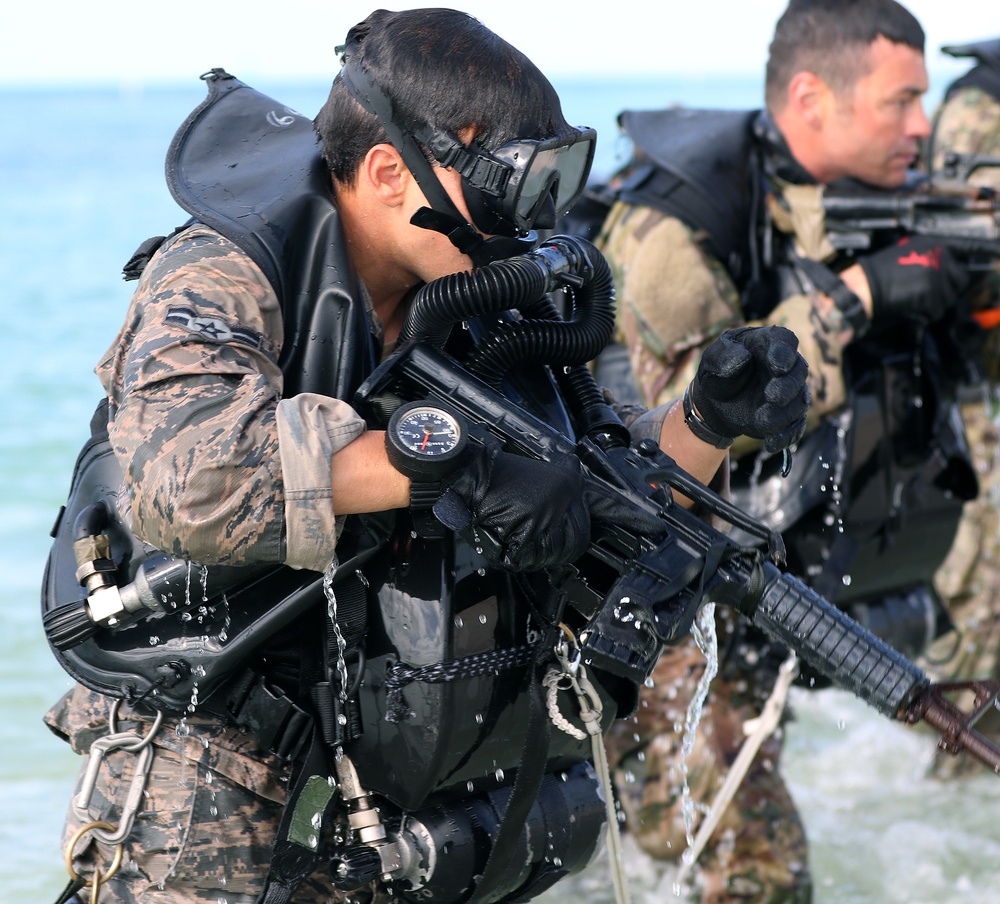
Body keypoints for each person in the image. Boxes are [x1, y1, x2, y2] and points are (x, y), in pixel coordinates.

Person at [39, 8, 811, 904]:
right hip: (208, 745)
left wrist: (708, 420)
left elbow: (601, 503)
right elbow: (191, 481)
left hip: (386, 764)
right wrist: (458, 470)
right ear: (384, 172)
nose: (526, 221)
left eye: (548, 182)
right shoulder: (226, 272)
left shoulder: (473, 290)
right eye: (507, 185)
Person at [592, 1, 981, 900]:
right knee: (757, 865)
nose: (924, 125)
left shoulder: (897, 200)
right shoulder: (675, 232)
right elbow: (677, 439)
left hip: (778, 555)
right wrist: (855, 299)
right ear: (812, 96)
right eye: (902, 102)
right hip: (655, 578)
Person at [918, 36, 1000, 778]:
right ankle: (960, 763)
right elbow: (956, 247)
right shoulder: (980, 107)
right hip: (972, 384)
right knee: (983, 588)